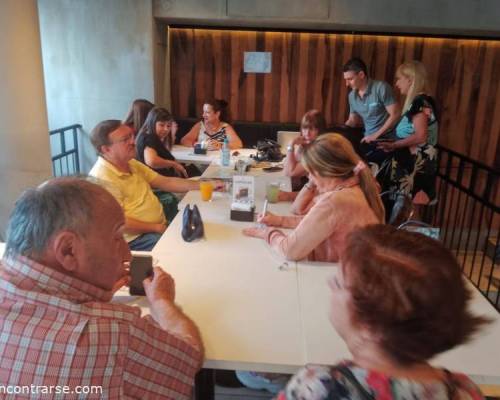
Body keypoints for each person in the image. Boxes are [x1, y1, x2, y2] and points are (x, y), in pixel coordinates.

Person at [0, 178, 203, 399]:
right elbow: (188, 359)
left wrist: (90, 295)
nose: (127, 254)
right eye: (117, 237)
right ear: (68, 250)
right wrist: (162, 300)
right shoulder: (114, 331)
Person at [275, 224, 488, 399]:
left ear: (370, 325)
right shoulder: (464, 390)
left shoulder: (317, 387)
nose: (330, 284)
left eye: (339, 283)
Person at [243, 133, 384, 262]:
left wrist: (267, 233)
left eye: (310, 172)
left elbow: (289, 251)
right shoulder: (355, 188)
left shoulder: (335, 201)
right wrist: (279, 221)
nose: (310, 178)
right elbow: (316, 222)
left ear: (326, 170)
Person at [89, 120, 217, 251]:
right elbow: (119, 222)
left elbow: (166, 182)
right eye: (125, 139)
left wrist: (208, 184)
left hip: (156, 228)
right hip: (136, 239)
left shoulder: (131, 163)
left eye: (131, 136)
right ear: (106, 149)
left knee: (205, 233)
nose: (133, 141)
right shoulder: (101, 178)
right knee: (191, 248)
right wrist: (156, 228)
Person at [377, 61, 439, 207]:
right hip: (412, 161)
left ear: (410, 79)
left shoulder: (420, 102)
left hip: (414, 164)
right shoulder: (422, 101)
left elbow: (421, 135)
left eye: (399, 79)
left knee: (408, 205)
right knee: (406, 205)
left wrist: (394, 145)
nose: (397, 84)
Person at [343, 58, 400, 163]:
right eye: (345, 80)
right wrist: (339, 133)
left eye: (350, 79)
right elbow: (352, 120)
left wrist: (375, 135)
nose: (347, 84)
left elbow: (395, 114)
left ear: (361, 75)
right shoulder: (352, 96)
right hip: (368, 139)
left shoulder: (381, 88)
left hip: (387, 139)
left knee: (363, 163)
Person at [136, 107, 200, 178]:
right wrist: (173, 164)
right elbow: (151, 161)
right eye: (161, 125)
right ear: (152, 123)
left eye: (168, 126)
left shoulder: (148, 136)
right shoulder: (149, 138)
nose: (166, 129)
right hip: (162, 180)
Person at [284, 109, 327, 178]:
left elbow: (290, 172)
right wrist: (300, 147)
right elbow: (287, 169)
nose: (307, 133)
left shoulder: (319, 151)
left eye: (311, 129)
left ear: (320, 131)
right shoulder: (307, 145)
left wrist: (291, 144)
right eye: (304, 128)